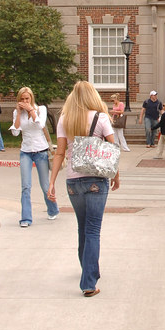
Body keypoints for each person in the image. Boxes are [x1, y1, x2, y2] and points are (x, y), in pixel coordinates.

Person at [48, 80, 120, 297]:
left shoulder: (65, 119)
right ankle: (88, 282)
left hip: (73, 180)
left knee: (83, 227)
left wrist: (51, 182)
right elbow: (112, 149)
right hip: (96, 179)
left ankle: (88, 269)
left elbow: (60, 152)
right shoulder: (102, 118)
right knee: (93, 229)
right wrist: (116, 175)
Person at [9, 86, 59, 227]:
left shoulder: (40, 109)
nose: (24, 101)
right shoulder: (17, 112)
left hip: (41, 151)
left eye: (27, 98)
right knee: (26, 186)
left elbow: (40, 124)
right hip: (25, 151)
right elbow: (15, 133)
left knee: (45, 185)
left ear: (31, 98)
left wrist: (31, 110)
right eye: (22, 99)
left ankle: (53, 209)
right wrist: (19, 113)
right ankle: (26, 218)